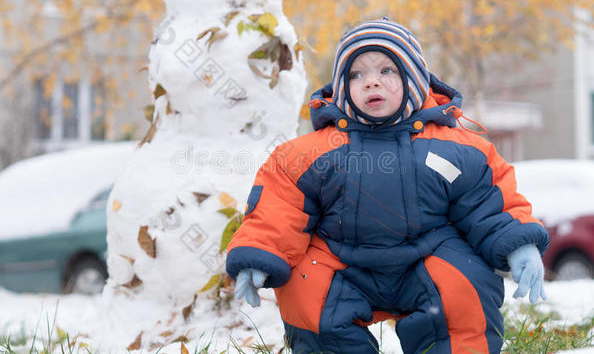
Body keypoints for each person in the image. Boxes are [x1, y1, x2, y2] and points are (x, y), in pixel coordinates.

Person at [225, 18, 550, 354]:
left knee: (465, 284)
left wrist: (519, 244)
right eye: (356, 74)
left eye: (386, 71)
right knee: (307, 289)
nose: (370, 83)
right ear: (340, 86)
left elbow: (488, 202)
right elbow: (278, 204)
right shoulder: (314, 152)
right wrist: (259, 252)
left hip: (428, 258)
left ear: (412, 79)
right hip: (342, 263)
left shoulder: (455, 147)